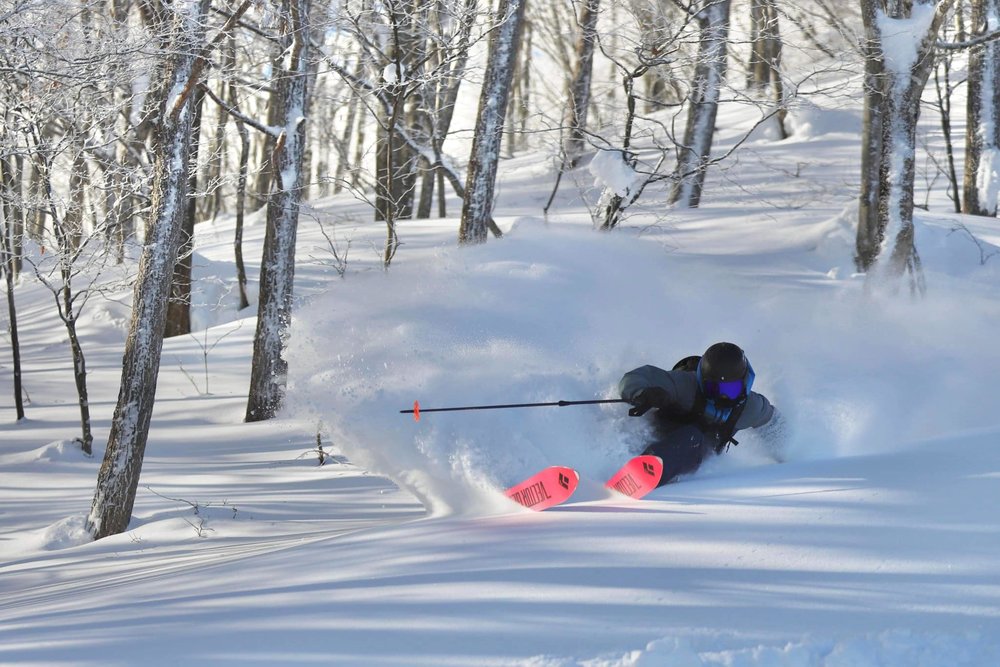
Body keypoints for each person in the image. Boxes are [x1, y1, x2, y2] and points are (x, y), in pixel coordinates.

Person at [618, 342, 784, 485]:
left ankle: (647, 474)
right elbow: (637, 377)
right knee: (691, 436)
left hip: (693, 456)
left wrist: (788, 454)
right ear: (702, 381)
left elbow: (776, 426)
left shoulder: (750, 407)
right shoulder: (685, 384)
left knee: (693, 438)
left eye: (730, 390)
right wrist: (642, 393)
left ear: (744, 384)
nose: (723, 396)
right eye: (714, 389)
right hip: (658, 439)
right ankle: (639, 470)